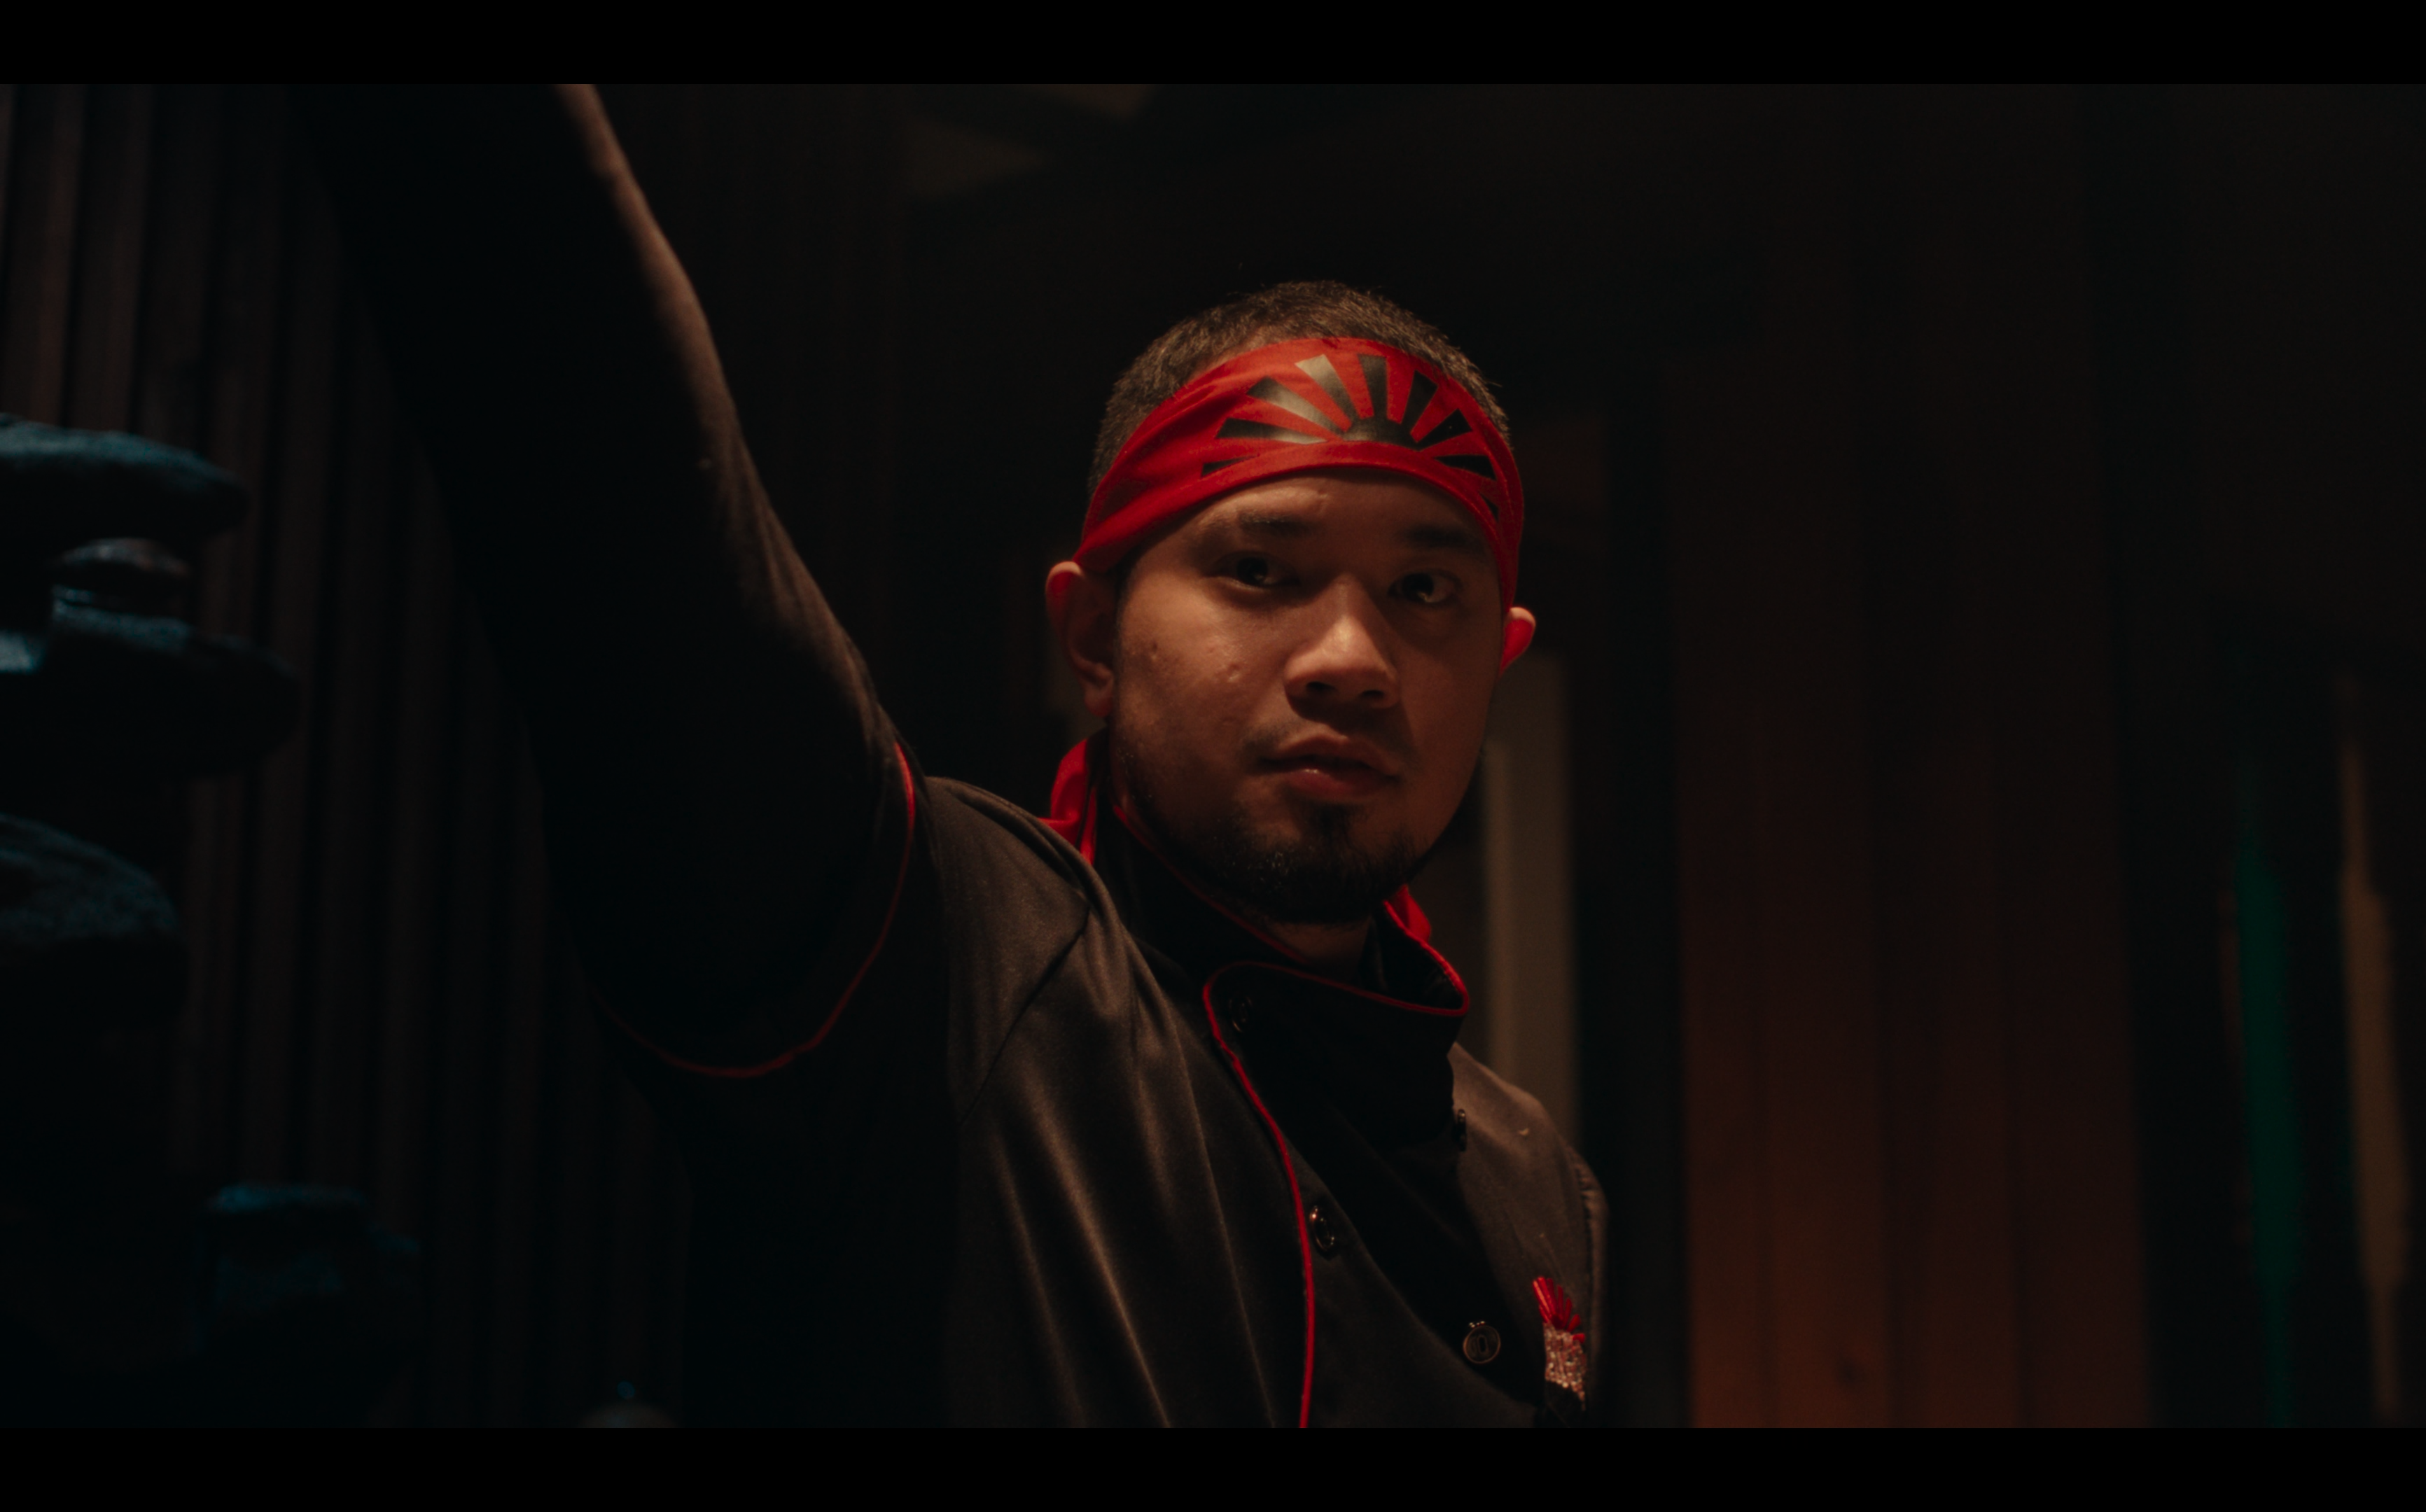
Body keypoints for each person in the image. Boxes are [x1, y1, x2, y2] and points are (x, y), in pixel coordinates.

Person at [298, 85, 1603, 1427]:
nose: (1353, 656)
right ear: (1092, 638)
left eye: (1424, 591)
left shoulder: (1536, 1183)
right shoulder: (931, 948)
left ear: (1497, 661)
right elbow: (633, 497)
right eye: (1261, 570)